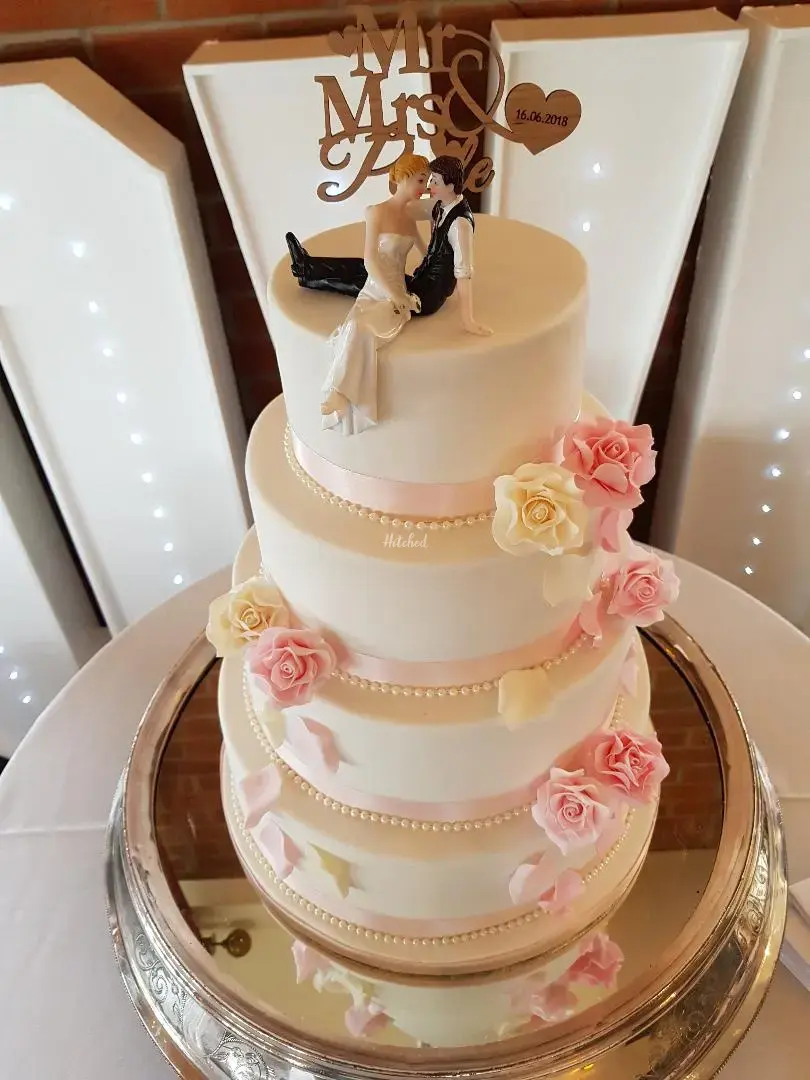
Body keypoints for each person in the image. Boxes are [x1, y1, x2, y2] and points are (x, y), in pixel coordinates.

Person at [286, 155, 491, 336]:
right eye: (427, 181)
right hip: (423, 280)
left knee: (367, 277)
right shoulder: (442, 204)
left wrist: (468, 320)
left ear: (451, 186)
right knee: (364, 268)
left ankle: (307, 271)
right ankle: (307, 269)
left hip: (427, 296)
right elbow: (408, 208)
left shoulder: (460, 224)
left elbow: (464, 272)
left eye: (434, 181)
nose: (429, 187)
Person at [318, 152, 429, 436]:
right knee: (355, 326)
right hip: (374, 292)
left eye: (427, 181)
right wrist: (394, 295)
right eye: (420, 180)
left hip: (396, 296)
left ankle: (340, 393)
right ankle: (341, 394)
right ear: (404, 176)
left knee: (360, 327)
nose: (424, 186)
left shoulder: (410, 220)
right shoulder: (376, 212)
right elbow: (370, 260)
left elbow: (428, 256)